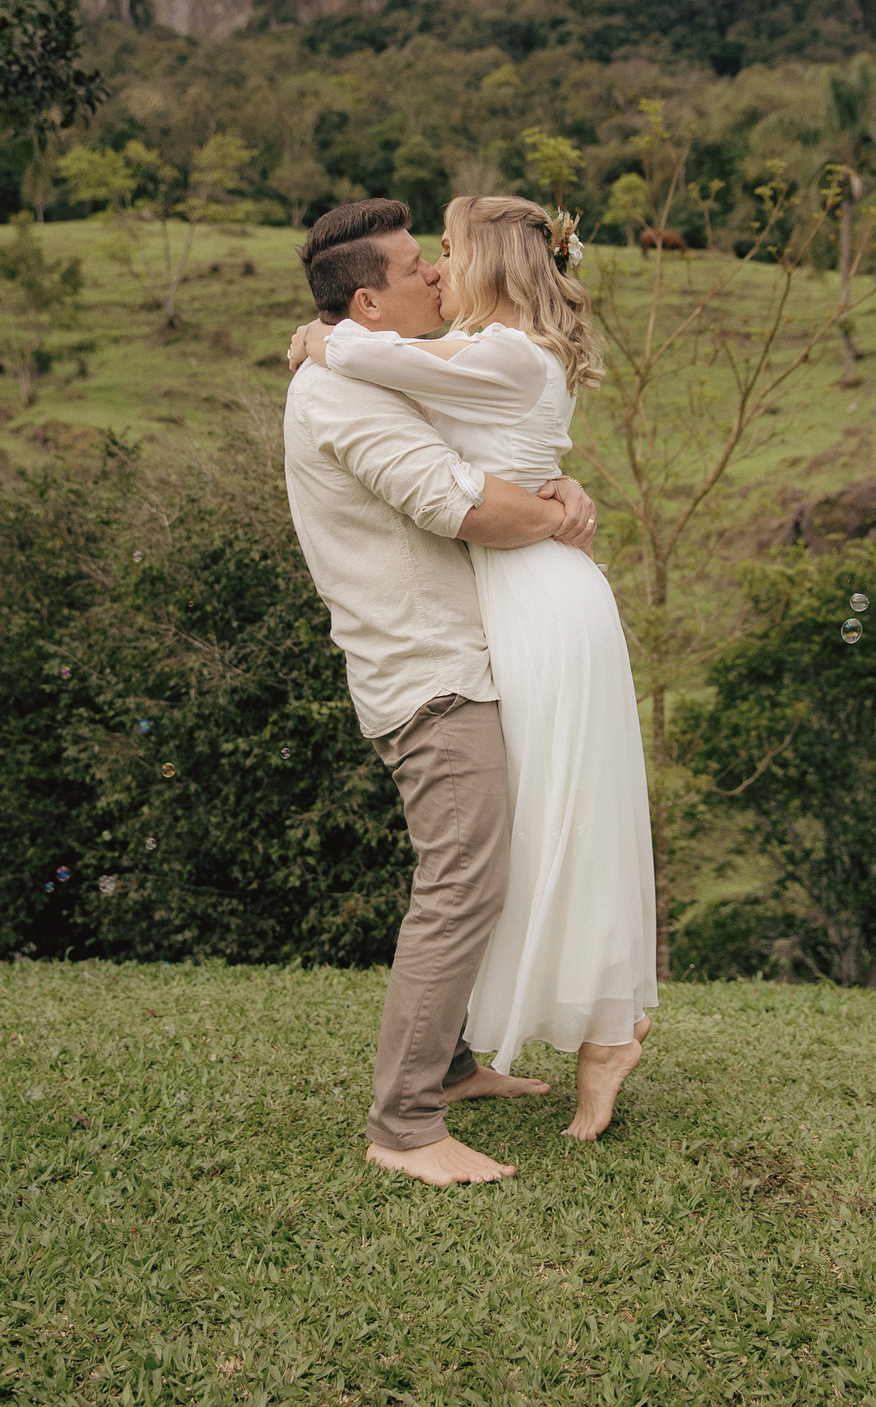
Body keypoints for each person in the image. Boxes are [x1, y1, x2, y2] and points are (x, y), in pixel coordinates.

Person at [290, 193, 657, 1147]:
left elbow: (493, 439)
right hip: (435, 660)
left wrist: (551, 482)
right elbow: (465, 504)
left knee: (537, 833)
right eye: (420, 263)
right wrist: (555, 505)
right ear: (367, 305)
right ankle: (408, 1123)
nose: (435, 271)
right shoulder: (349, 386)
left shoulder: (424, 364)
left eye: (443, 253)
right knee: (475, 870)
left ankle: (498, 1057)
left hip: (512, 622)